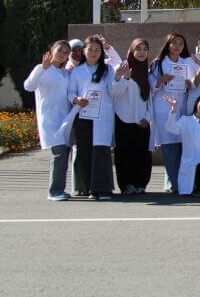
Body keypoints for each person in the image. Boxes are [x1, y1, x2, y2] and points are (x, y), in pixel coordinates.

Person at [149, 33, 200, 193]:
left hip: (182, 107)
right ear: (168, 45)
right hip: (164, 108)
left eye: (181, 44)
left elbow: (194, 84)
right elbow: (151, 86)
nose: (178, 46)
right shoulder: (158, 63)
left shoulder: (187, 63)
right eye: (174, 43)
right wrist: (161, 80)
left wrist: (188, 83)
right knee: (170, 148)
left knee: (182, 147)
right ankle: (178, 186)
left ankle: (180, 182)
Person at [67, 36, 117, 200]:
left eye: (97, 50)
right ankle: (90, 188)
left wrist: (118, 79)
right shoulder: (77, 71)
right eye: (90, 49)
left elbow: (113, 91)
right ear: (84, 51)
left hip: (102, 116)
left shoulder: (108, 70)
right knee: (85, 151)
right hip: (83, 115)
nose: (94, 53)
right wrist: (76, 99)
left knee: (101, 151)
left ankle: (103, 188)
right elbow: (70, 92)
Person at [24, 40, 73, 201]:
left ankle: (60, 189)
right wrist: (42, 69)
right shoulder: (42, 69)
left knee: (63, 155)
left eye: (66, 53)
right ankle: (54, 191)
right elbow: (28, 86)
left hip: (65, 118)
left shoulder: (65, 73)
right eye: (60, 51)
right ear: (52, 51)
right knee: (59, 154)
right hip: (50, 119)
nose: (63, 55)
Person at [111, 38, 153, 195]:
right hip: (123, 119)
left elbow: (151, 100)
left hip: (142, 121)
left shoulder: (148, 72)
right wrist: (126, 78)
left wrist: (147, 118)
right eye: (138, 49)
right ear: (132, 51)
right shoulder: (123, 68)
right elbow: (115, 92)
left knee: (142, 154)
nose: (141, 53)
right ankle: (127, 184)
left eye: (145, 49)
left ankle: (140, 184)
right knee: (125, 154)